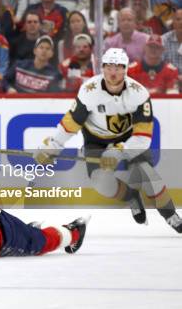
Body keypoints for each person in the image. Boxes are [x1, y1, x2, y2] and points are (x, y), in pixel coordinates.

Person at [34, 48, 182, 233]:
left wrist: (119, 151)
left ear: (126, 69)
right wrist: (53, 146)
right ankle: (132, 196)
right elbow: (71, 123)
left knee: (148, 174)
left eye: (118, 67)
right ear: (102, 68)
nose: (113, 72)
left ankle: (170, 215)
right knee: (101, 184)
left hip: (129, 139)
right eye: (109, 67)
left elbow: (143, 138)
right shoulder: (89, 91)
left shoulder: (139, 93)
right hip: (96, 140)